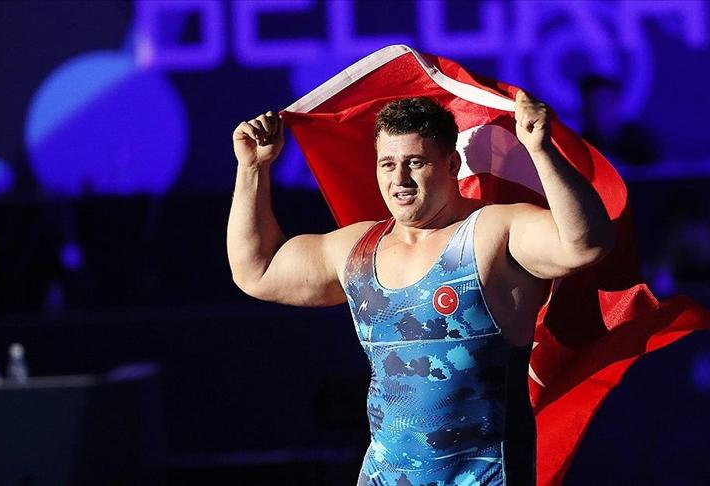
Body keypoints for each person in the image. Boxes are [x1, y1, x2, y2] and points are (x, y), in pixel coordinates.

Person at [227, 92, 614, 485]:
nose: (400, 179)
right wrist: (252, 168)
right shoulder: (356, 249)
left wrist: (541, 151)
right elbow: (257, 271)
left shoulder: (493, 232)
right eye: (387, 164)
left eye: (415, 162)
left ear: (452, 164)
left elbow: (584, 245)